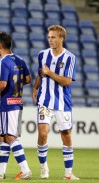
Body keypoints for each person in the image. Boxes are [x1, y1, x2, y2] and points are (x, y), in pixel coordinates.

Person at [32, 25, 79, 180]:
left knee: (66, 134)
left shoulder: (70, 57)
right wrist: (35, 88)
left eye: (53, 37)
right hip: (44, 101)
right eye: (49, 37)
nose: (50, 40)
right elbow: (40, 73)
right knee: (43, 133)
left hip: (62, 103)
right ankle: (44, 168)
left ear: (61, 38)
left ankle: (68, 174)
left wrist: (49, 73)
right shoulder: (42, 55)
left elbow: (66, 81)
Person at [0, 32, 32, 180]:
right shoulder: (19, 59)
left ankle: (25, 170)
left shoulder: (3, 61)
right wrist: (14, 85)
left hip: (8, 104)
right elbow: (28, 79)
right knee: (3, 136)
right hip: (17, 102)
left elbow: (2, 83)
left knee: (10, 137)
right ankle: (0, 172)